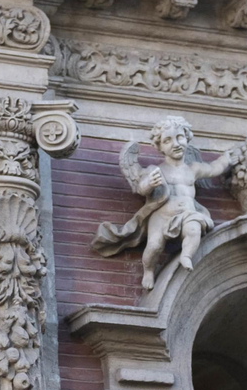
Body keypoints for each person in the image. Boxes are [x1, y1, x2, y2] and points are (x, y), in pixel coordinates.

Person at [93, 115, 235, 290]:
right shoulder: (157, 170)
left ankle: (187, 255)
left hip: (188, 213)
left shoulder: (194, 169)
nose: (175, 144)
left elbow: (214, 168)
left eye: (180, 137)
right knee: (154, 245)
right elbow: (141, 188)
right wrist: (150, 184)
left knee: (193, 229)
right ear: (159, 146)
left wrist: (227, 159)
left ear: (187, 138)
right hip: (162, 216)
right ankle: (149, 270)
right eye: (168, 140)